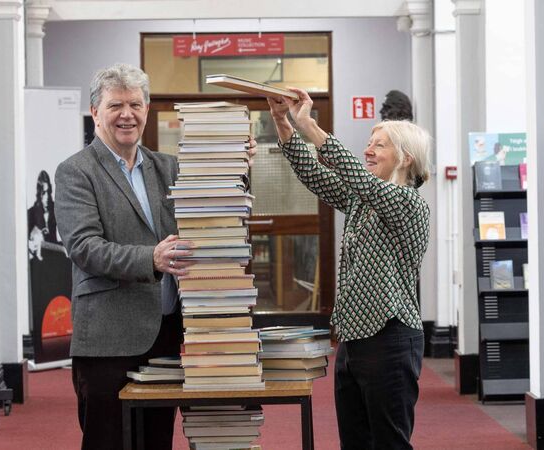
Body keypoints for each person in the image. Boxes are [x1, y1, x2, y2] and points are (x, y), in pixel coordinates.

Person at [55, 63, 256, 449]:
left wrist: (235, 168)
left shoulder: (170, 168)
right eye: (115, 105)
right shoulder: (75, 172)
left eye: (135, 104)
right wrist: (152, 259)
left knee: (156, 440)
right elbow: (83, 247)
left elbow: (214, 215)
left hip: (166, 334)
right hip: (108, 339)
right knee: (108, 441)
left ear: (147, 110)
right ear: (95, 112)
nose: (126, 114)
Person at [267, 88, 431, 449]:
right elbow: (312, 173)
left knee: (390, 442)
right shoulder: (363, 200)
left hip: (391, 338)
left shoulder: (408, 203)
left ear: (404, 158)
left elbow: (356, 175)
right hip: (354, 341)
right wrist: (282, 121)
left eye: (380, 144)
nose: (368, 149)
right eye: (369, 142)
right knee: (355, 442)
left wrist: (307, 123)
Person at [28, 170, 59, 260]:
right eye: (44, 193)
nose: (47, 197)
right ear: (39, 194)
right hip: (38, 259)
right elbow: (22, 241)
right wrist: (30, 244)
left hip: (55, 256)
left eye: (49, 192)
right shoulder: (31, 213)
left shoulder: (56, 209)